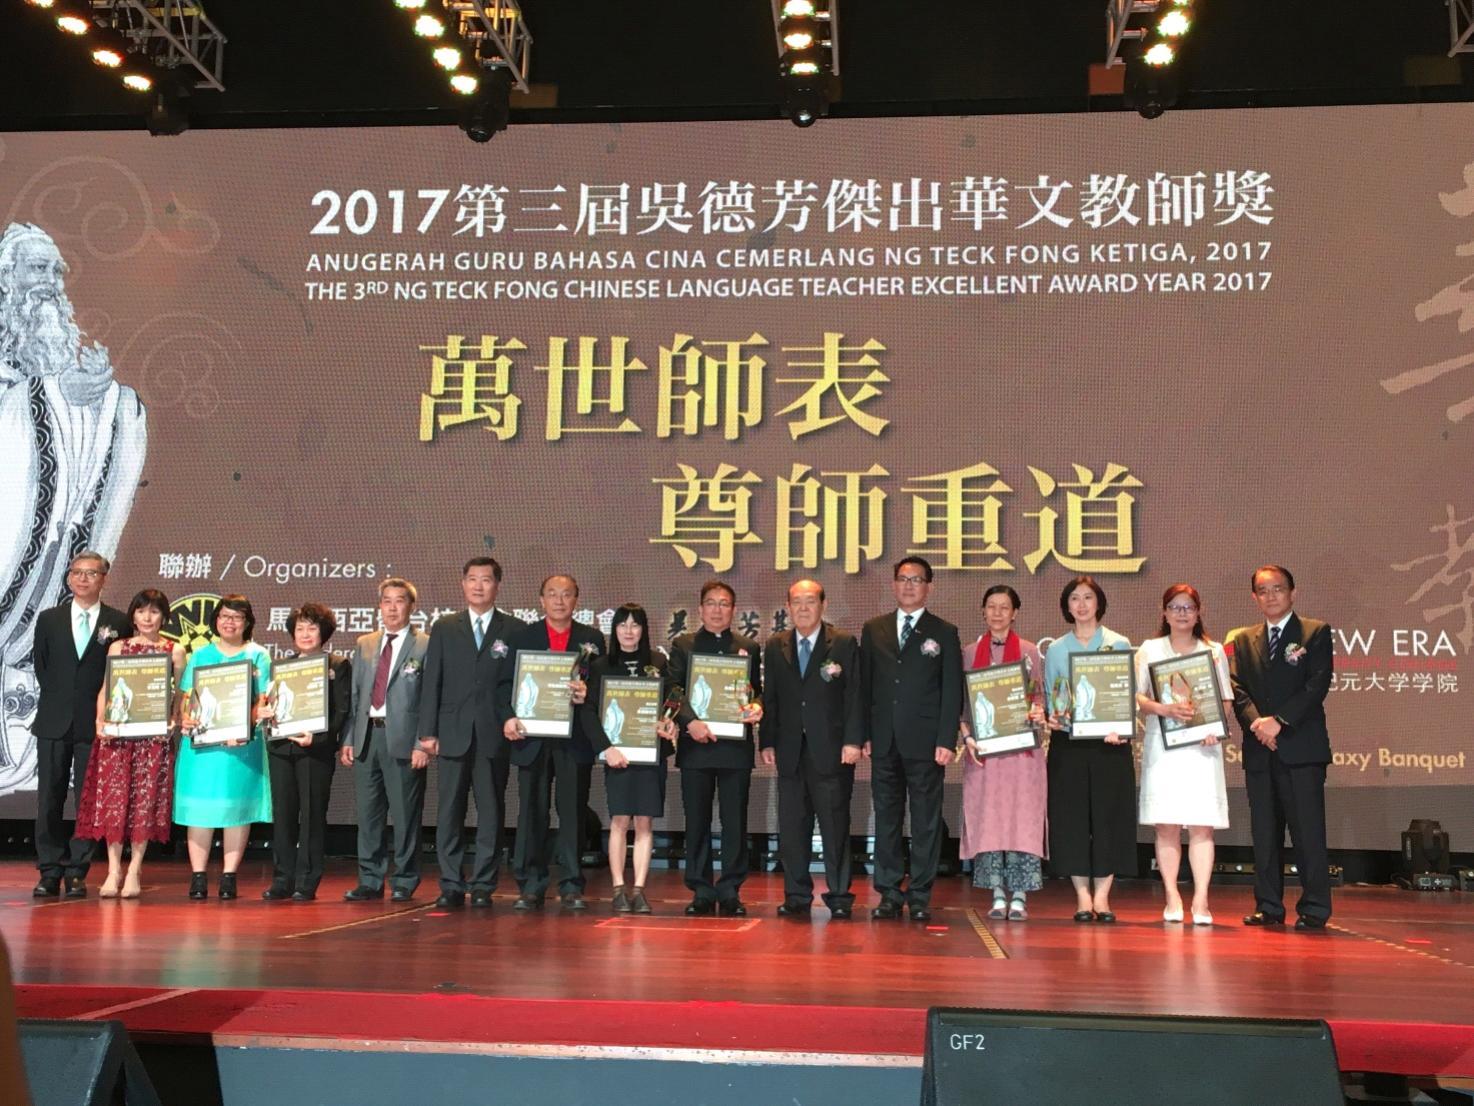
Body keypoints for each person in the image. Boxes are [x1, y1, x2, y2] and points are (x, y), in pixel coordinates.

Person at [0, 223, 147, 801]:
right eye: (39, 268)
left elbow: (72, 417)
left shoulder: (60, 350)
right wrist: (57, 395)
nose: (52, 282)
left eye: (57, 269)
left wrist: (102, 400)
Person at [1229, 565, 1334, 931]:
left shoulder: (1314, 632)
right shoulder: (1244, 639)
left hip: (1301, 749)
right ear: (1254, 597)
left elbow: (1316, 685)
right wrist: (1259, 724)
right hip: (1261, 749)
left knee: (1307, 832)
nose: (1270, 595)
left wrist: (1280, 721)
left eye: (1277, 588)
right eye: (1262, 590)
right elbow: (1238, 689)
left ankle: (1315, 908)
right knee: (1265, 834)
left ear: (1293, 592)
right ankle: (1269, 906)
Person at [859, 556, 962, 923]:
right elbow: (863, 687)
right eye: (902, 579)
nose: (908, 585)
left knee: (925, 822)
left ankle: (920, 894)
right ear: (893, 584)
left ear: (929, 587)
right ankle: (888, 892)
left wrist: (947, 739)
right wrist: (863, 735)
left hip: (925, 743)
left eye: (916, 580)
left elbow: (952, 691)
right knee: (886, 818)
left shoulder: (944, 631)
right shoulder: (875, 629)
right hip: (884, 741)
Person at [29, 551, 132, 898]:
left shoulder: (118, 621)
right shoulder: (49, 619)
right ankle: (48, 870)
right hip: (54, 721)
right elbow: (42, 668)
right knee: (49, 800)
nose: (83, 578)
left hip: (97, 724)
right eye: (77, 572)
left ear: (104, 578)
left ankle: (77, 870)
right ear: (69, 578)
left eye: (91, 573)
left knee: (88, 802)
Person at [759, 579, 863, 920]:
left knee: (834, 827)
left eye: (810, 601)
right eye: (796, 602)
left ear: (823, 604)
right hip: (789, 751)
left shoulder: (844, 643)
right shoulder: (776, 645)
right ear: (787, 607)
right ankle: (797, 895)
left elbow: (854, 697)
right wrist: (768, 741)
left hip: (832, 751)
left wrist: (852, 741)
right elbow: (770, 696)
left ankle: (839, 895)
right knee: (792, 828)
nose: (803, 608)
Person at [418, 557, 518, 909]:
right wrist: (426, 732)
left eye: (486, 580)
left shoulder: (513, 628)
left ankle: (483, 885)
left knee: (491, 812)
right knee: (449, 812)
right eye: (472, 579)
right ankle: (450, 882)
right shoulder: (445, 627)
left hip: (493, 734)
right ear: (462, 584)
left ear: (497, 586)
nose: (478, 586)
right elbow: (432, 682)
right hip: (451, 733)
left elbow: (515, 685)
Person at [73, 589, 183, 899]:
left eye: (154, 612)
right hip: (117, 737)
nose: (147, 618)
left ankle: (134, 868)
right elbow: (106, 690)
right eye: (141, 611)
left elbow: (178, 698)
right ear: (132, 615)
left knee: (144, 805)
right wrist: (100, 723)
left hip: (153, 740)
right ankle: (112, 869)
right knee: (114, 802)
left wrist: (173, 719)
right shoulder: (118, 647)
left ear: (164, 616)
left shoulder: (175, 651)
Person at [504, 574, 605, 910]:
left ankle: (572, 882)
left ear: (577, 600)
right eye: (552, 594)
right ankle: (530, 884)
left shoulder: (592, 639)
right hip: (531, 737)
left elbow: (602, 689)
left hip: (574, 738)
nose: (559, 601)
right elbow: (505, 686)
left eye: (567, 595)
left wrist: (587, 693)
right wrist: (508, 717)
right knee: (532, 810)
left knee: (572, 811)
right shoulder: (523, 637)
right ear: (541, 599)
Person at [1135, 584, 1231, 926]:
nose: (1182, 613)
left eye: (1188, 607)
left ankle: (1202, 900)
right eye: (1175, 607)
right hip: (1164, 747)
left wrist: (1213, 728)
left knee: (1202, 826)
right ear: (1164, 612)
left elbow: (1225, 699)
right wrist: (1163, 708)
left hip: (1203, 749)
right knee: (1167, 825)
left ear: (1198, 611)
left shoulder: (1213, 650)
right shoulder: (1150, 649)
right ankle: (1173, 895)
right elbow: (1139, 698)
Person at [1043, 575, 1135, 923]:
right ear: (1067, 607)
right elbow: (1055, 699)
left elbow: (1125, 696)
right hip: (1069, 746)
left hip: (1110, 746)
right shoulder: (1056, 649)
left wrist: (1122, 727)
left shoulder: (1119, 642)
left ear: (1099, 603)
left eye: (1088, 598)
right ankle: (1082, 896)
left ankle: (1103, 896)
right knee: (1071, 821)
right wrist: (1053, 717)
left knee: (1110, 818)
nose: (1081, 605)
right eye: (1075, 599)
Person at [668, 579, 763, 916]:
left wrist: (756, 707)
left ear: (733, 610)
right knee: (697, 820)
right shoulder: (684, 644)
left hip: (735, 749)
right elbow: (673, 689)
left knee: (734, 821)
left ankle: (731, 889)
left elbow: (756, 692)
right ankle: (702, 890)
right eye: (711, 603)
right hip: (696, 747)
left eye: (724, 603)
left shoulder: (747, 647)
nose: (717, 609)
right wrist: (690, 722)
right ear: (700, 609)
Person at [174, 594, 273, 901]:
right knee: (200, 812)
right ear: (216, 621)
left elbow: (263, 700)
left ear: (247, 623)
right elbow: (188, 697)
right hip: (202, 748)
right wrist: (186, 718)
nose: (229, 622)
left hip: (240, 747)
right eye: (224, 616)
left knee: (236, 812)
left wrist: (248, 724)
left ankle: (229, 876)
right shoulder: (201, 655)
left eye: (237, 617)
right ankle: (199, 876)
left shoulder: (259, 655)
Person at [959, 585, 1047, 922]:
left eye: (1004, 607)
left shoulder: (1029, 652)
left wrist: (1037, 712)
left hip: (1022, 753)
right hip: (984, 752)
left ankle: (1021, 893)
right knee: (990, 819)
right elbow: (961, 707)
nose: (997, 613)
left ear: (1015, 613)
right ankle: (996, 892)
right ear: (983, 612)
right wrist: (967, 736)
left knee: (1022, 819)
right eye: (991, 607)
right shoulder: (968, 652)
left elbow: (1038, 696)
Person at [582, 604, 678, 914]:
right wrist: (605, 748)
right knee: (620, 820)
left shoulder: (658, 662)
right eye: (622, 625)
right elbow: (588, 711)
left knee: (645, 821)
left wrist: (668, 721)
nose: (628, 630)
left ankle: (639, 888)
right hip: (618, 754)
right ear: (615, 629)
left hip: (650, 755)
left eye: (635, 625)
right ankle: (618, 888)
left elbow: (672, 700)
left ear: (643, 630)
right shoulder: (600, 666)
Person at [341, 577, 431, 902]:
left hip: (405, 741)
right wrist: (349, 738)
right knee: (368, 815)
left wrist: (423, 743)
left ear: (411, 606)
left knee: (406, 816)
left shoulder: (425, 644)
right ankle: (370, 879)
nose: (392, 607)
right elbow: (355, 696)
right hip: (367, 737)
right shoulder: (365, 643)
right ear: (379, 606)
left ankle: (405, 880)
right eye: (387, 601)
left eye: (399, 601)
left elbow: (429, 698)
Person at [263, 602, 351, 902]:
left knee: (312, 816)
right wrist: (266, 712)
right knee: (284, 816)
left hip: (315, 750)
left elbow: (342, 711)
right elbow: (271, 705)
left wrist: (319, 737)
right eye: (300, 628)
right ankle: (282, 879)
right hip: (281, 748)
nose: (305, 634)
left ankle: (307, 880)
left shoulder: (337, 665)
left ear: (323, 632)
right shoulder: (279, 666)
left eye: (312, 628)